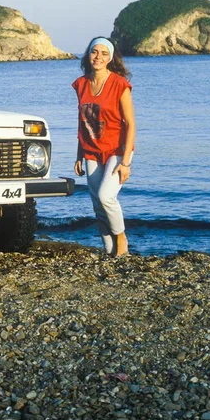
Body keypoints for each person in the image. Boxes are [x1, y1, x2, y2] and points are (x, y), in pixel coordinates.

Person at [71, 37, 136, 256]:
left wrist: (126, 162)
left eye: (104, 53)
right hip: (91, 151)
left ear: (110, 58)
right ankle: (110, 251)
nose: (98, 57)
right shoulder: (81, 84)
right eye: (94, 52)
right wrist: (79, 154)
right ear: (88, 55)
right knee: (97, 205)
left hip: (117, 150)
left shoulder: (119, 84)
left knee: (106, 197)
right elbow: (83, 121)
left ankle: (121, 239)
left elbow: (130, 124)